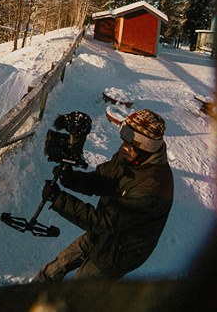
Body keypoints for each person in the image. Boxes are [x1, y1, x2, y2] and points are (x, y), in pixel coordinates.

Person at [34, 109, 174, 282]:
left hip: (117, 254)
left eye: (130, 145)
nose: (123, 148)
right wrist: (71, 179)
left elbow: (105, 222)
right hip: (99, 236)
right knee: (54, 268)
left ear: (146, 148)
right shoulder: (130, 155)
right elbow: (102, 180)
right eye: (124, 141)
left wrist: (59, 200)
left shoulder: (153, 188)